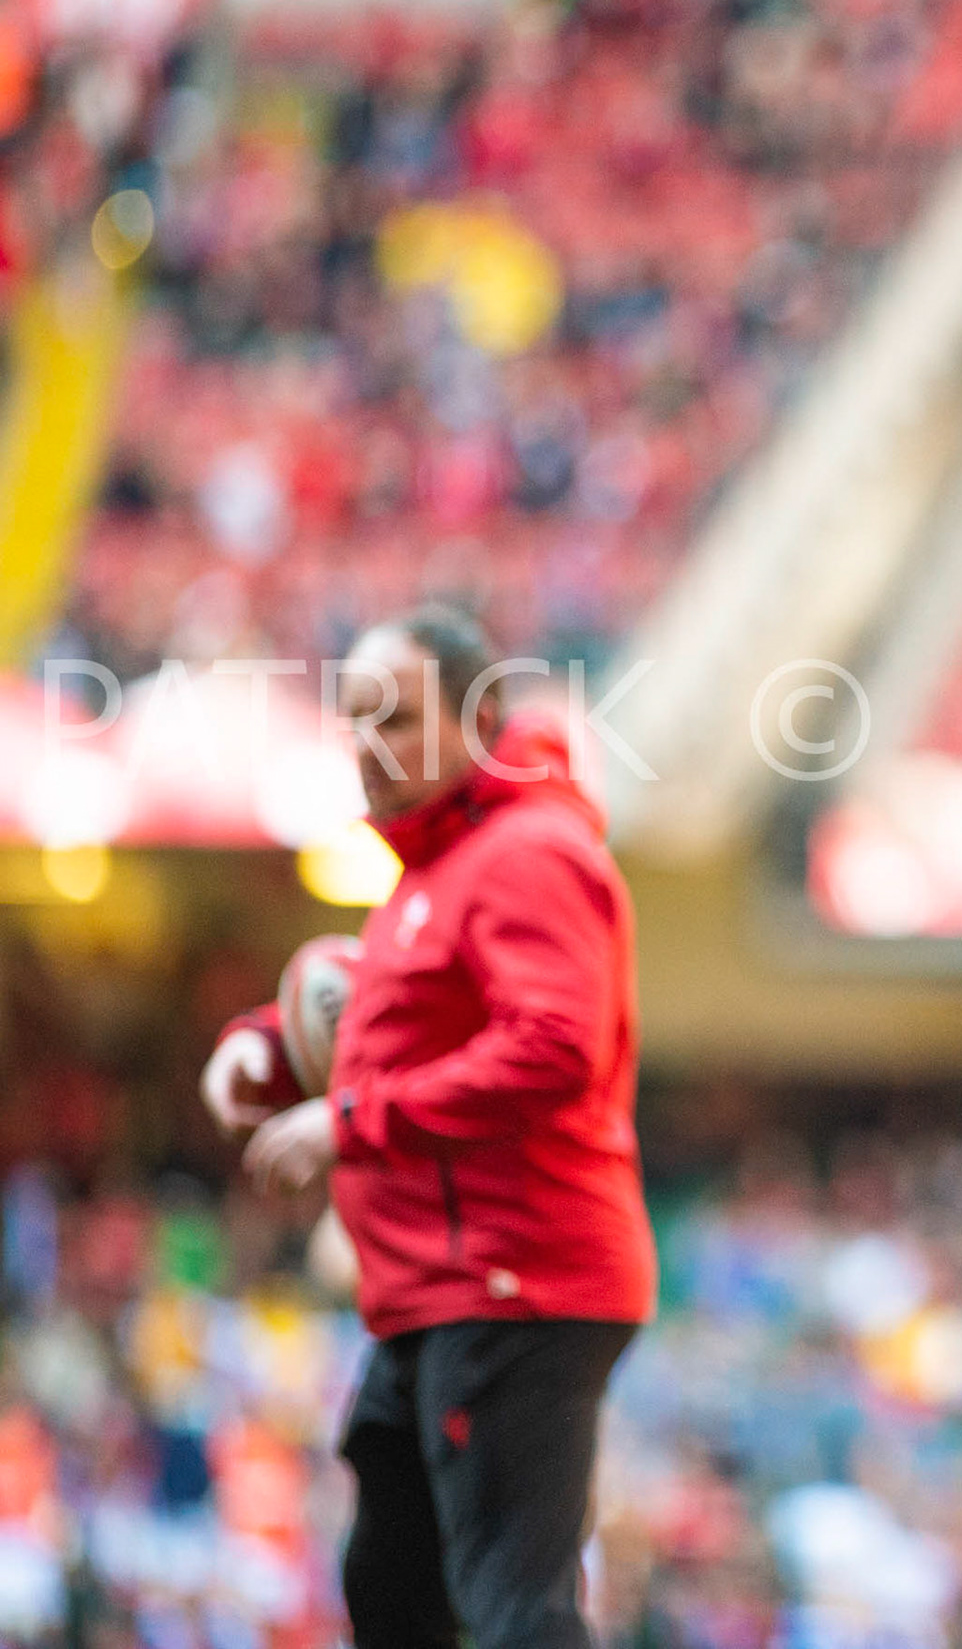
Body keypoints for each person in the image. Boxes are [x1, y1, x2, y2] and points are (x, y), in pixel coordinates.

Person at [201, 605, 656, 1649]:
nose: (369, 744)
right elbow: (389, 1016)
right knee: (394, 1592)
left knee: (512, 1610)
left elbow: (552, 1048)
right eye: (356, 719)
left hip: (511, 1282)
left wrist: (347, 1122)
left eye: (398, 718)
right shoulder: (438, 865)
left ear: (480, 719)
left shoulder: (525, 853)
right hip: (445, 1291)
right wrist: (261, 1044)